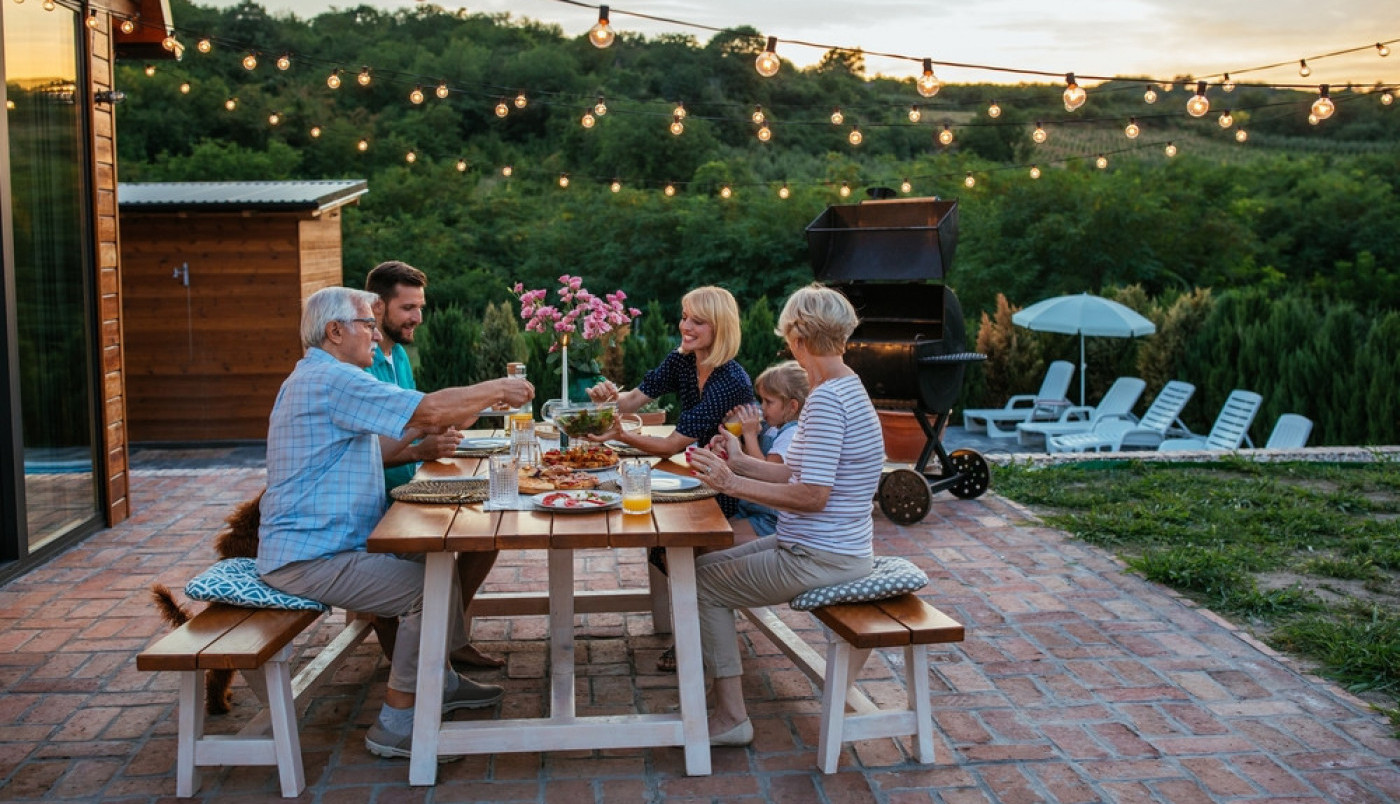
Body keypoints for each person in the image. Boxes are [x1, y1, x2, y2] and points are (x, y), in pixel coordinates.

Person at [256, 286, 534, 760]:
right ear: (334, 331)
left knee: (437, 559)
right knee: (429, 588)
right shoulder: (332, 379)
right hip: (310, 558)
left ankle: (440, 681)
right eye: (367, 324)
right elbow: (429, 408)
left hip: (328, 545)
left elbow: (390, 440)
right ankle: (396, 721)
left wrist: (428, 429)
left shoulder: (322, 377)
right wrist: (495, 389)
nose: (374, 333)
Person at [686, 284, 882, 747]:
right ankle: (720, 698)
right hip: (826, 547)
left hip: (820, 556)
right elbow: (793, 471)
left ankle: (732, 716)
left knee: (699, 586)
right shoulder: (842, 388)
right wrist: (738, 461)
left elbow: (813, 496)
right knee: (697, 570)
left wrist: (732, 484)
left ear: (796, 337)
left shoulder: (827, 400)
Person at [584, 285, 754, 672]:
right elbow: (632, 400)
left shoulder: (731, 379)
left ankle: (697, 633)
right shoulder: (682, 361)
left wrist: (622, 435)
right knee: (657, 534)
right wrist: (607, 397)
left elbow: (672, 444)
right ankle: (695, 622)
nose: (685, 326)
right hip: (696, 475)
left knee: (667, 540)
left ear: (720, 327)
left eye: (697, 321)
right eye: (684, 316)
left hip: (726, 486)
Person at [364, 260, 502, 669]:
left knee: (488, 530)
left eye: (420, 307)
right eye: (408, 308)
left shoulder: (399, 356)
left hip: (413, 486)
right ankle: (417, 656)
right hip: (381, 500)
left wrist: (459, 417)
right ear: (377, 307)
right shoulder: (363, 364)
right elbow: (372, 450)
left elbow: (416, 421)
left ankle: (448, 635)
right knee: (451, 545)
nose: (418, 318)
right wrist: (423, 448)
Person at [727, 360, 809, 537]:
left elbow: (765, 473)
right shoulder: (772, 427)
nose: (762, 407)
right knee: (713, 531)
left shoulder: (792, 434)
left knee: (716, 541)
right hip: (752, 509)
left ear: (792, 406)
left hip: (770, 519)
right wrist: (736, 436)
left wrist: (749, 435)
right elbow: (747, 460)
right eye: (761, 400)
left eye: (769, 402)